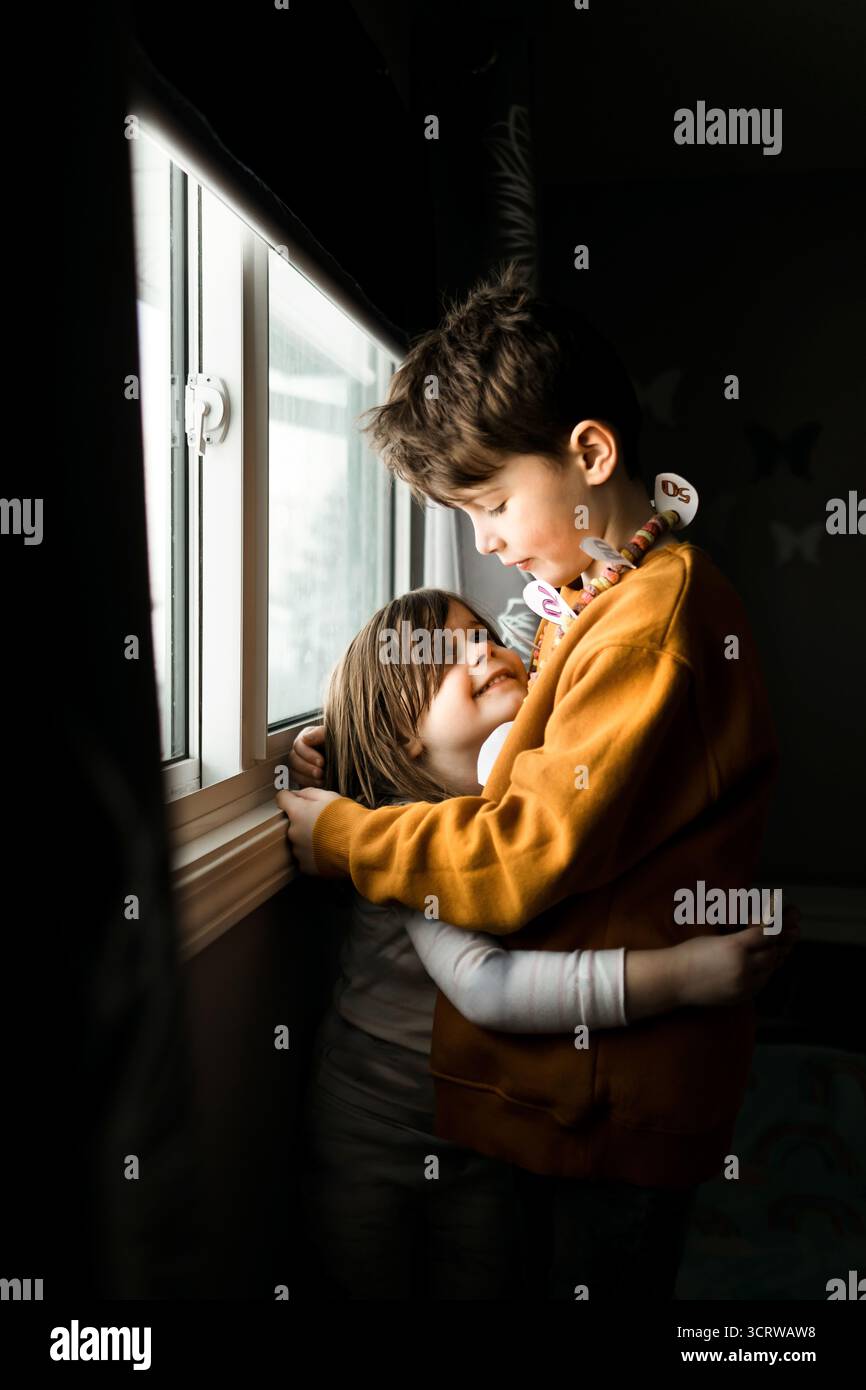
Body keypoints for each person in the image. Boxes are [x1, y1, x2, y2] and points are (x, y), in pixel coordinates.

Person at [278, 262, 784, 1300]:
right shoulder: (593, 597)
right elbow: (487, 685)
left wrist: (340, 834)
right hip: (585, 1094)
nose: (487, 541)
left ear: (587, 454)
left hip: (617, 1108)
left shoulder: (649, 625)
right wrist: (349, 739)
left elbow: (517, 854)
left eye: (495, 502)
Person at [287, 589, 796, 1300]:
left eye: (484, 634)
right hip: (375, 1132)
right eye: (445, 655)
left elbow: (537, 621)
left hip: (483, 1128)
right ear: (401, 730)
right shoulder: (406, 838)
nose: (487, 649)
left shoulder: (525, 797)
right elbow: (488, 987)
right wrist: (682, 976)